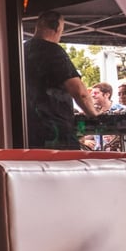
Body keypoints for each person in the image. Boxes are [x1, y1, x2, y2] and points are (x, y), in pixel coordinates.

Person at [24, 10, 97, 149]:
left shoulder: (22, 50)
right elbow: (79, 91)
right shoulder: (53, 51)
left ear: (37, 26)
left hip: (27, 130)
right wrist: (93, 114)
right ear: (58, 28)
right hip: (54, 130)